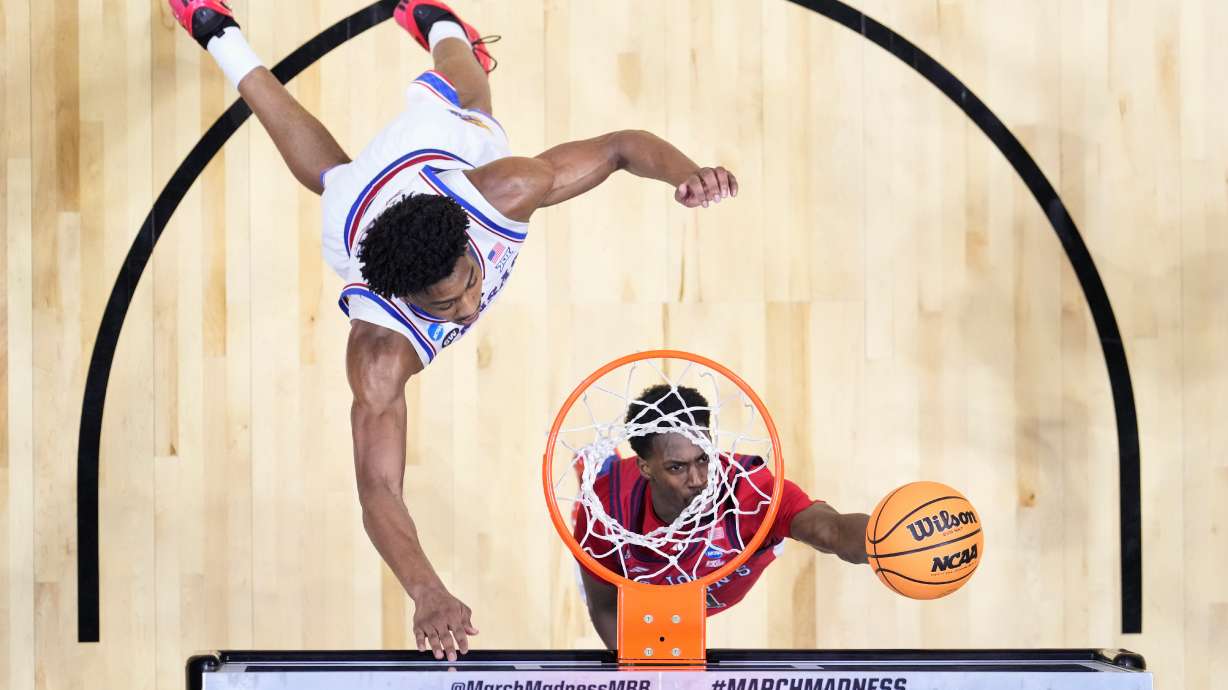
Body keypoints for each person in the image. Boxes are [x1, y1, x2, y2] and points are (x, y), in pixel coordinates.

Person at [168, 0, 739, 662]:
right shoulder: (380, 351)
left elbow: (619, 146)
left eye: (469, 281)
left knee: (471, 93)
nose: (469, 309)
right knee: (333, 181)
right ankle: (219, 34)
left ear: (468, 241)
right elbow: (378, 489)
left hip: (434, 144)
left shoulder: (504, 190)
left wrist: (688, 173)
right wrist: (426, 591)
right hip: (358, 212)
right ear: (401, 298)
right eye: (443, 307)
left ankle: (440, 23)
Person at [572, 385, 869, 650]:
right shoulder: (604, 510)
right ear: (645, 468)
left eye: (703, 458)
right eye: (677, 467)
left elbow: (831, 530)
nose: (698, 479)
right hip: (638, 583)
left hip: (723, 562)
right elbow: (606, 607)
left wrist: (884, 543)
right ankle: (598, 465)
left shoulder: (750, 492)